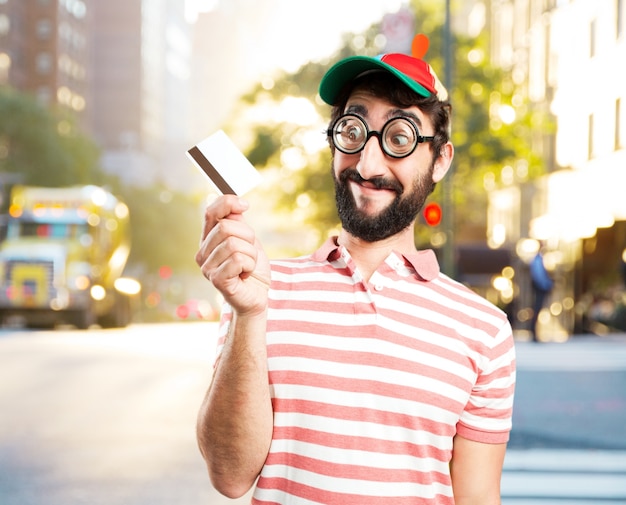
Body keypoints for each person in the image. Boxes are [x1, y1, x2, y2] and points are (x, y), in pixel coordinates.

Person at [195, 35, 516, 505]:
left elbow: (477, 498)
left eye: (400, 138)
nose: (367, 163)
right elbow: (229, 476)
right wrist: (248, 314)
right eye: (352, 131)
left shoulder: (484, 330)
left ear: (440, 159)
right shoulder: (259, 291)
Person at [529, 245, 553, 342]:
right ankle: (533, 332)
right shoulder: (538, 260)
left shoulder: (538, 259)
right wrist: (547, 285)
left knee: (537, 310)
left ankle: (534, 332)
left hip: (540, 287)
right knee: (536, 310)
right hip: (540, 288)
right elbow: (539, 276)